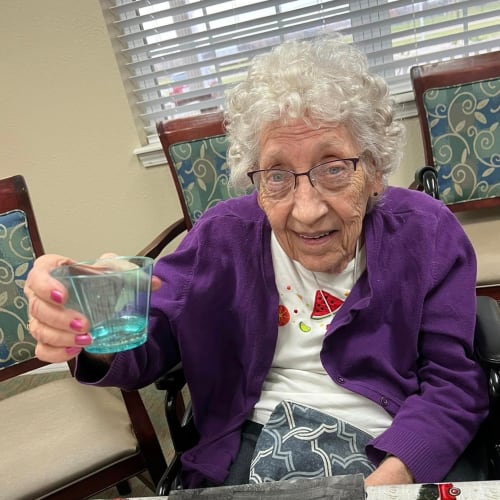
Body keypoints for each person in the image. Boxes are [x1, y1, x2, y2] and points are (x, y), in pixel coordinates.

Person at [25, 34, 487, 490]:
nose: (306, 210)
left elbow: (454, 384)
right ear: (256, 181)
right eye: (277, 175)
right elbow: (150, 342)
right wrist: (88, 321)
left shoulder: (427, 232)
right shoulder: (222, 236)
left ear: (375, 171)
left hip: (392, 440)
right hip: (247, 440)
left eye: (333, 168)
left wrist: (388, 478)